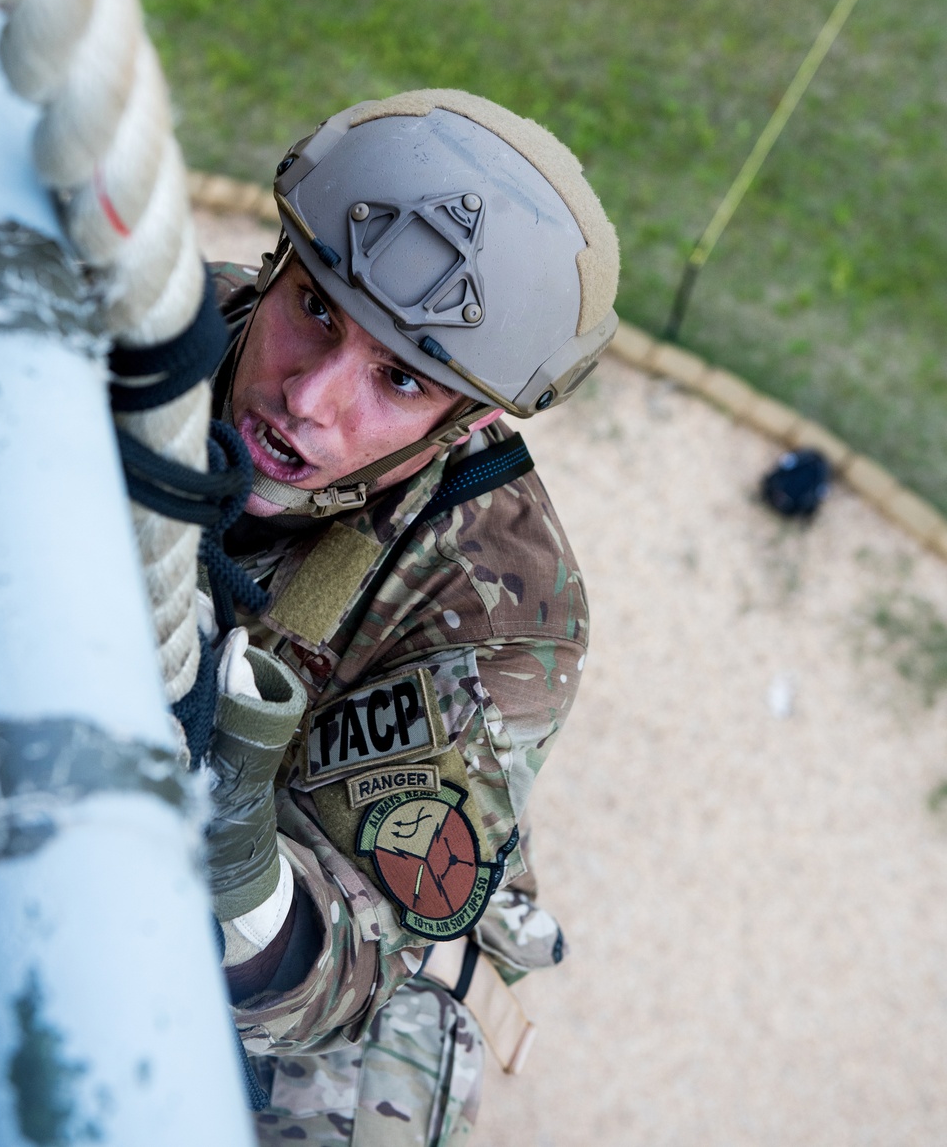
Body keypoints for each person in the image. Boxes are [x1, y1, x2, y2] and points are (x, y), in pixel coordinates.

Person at [194, 88, 619, 1146]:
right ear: (275, 264)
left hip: (315, 850)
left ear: (466, 415)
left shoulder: (501, 610)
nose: (309, 399)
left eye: (396, 376)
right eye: (317, 312)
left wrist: (227, 833)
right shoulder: (154, 337)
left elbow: (326, 983)